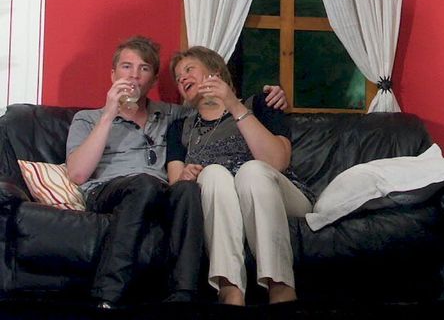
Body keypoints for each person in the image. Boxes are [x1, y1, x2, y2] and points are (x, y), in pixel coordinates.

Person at [167, 46, 314, 305]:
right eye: (178, 78)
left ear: (215, 72)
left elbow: (277, 162)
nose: (183, 79)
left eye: (189, 70)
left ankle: (280, 286)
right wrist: (186, 176)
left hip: (280, 194)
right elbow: (175, 186)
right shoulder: (179, 128)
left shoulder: (261, 104)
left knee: (252, 171)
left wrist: (233, 105)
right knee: (213, 173)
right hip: (220, 196)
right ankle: (230, 288)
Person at [66, 36, 203, 307]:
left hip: (159, 192)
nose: (134, 75)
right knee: (144, 183)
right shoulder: (88, 118)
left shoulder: (172, 115)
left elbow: (215, 112)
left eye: (144, 68)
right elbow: (78, 174)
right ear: (113, 74)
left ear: (153, 80)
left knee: (187, 189)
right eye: (127, 67)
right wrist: (109, 114)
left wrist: (264, 100)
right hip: (108, 191)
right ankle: (107, 294)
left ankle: (183, 295)